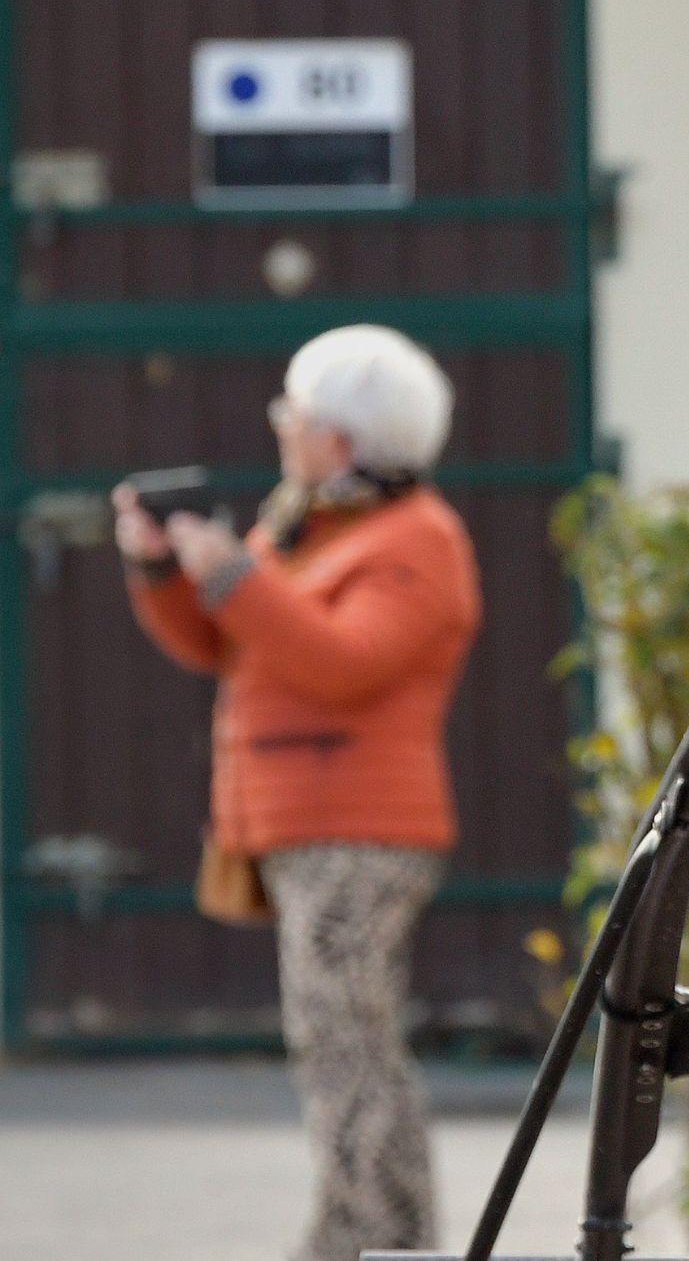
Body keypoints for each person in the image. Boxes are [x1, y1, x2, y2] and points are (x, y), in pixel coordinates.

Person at [113, 324, 481, 1261]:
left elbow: (344, 662)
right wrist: (163, 568)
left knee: (346, 1044)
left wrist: (231, 572)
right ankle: (377, 1236)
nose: (281, 424)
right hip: (313, 826)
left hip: (361, 833)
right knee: (341, 1043)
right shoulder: (312, 523)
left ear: (342, 438)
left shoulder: (418, 538)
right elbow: (226, 643)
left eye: (296, 412)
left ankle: (370, 1238)